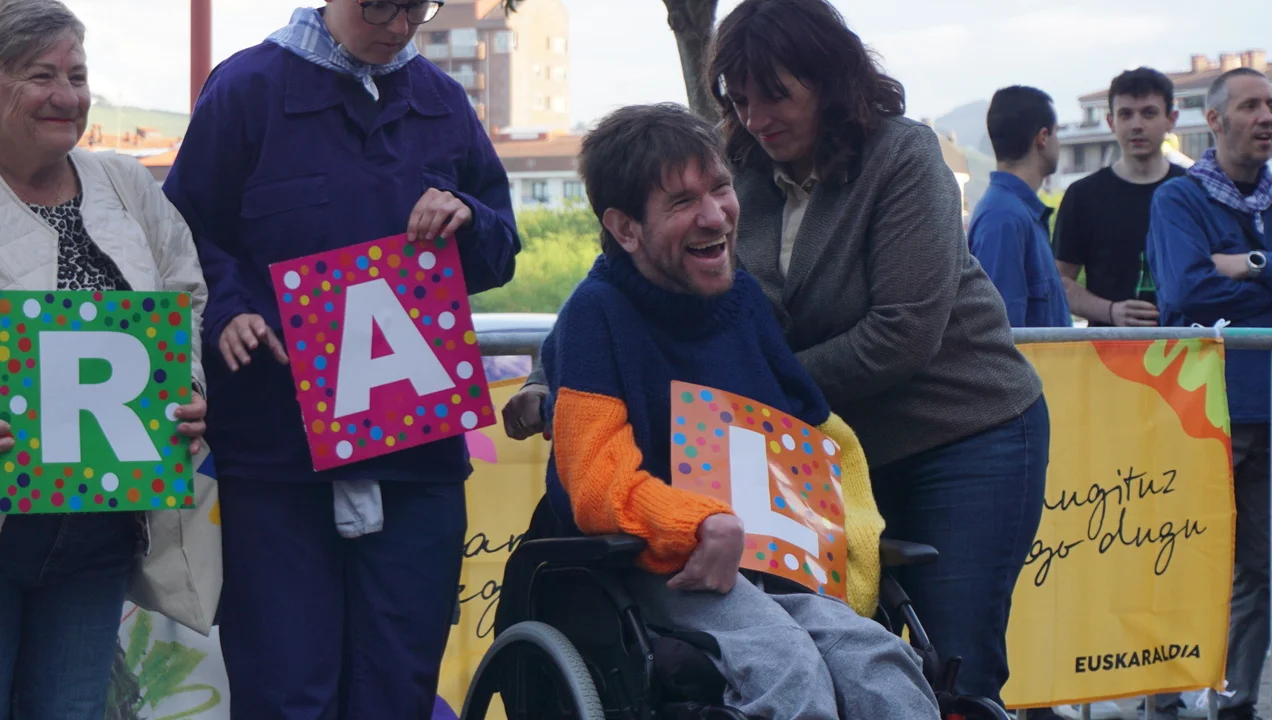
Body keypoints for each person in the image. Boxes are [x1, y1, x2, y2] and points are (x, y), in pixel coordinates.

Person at [508, 0, 1049, 709]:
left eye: (775, 94)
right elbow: (615, 278)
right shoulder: (730, 166)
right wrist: (554, 377)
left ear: (828, 80)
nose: (755, 116)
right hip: (729, 508)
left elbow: (902, 333)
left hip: (958, 426)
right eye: (739, 98)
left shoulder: (901, 157)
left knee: (926, 664)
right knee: (787, 664)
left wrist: (729, 393)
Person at [160, 0, 520, 717]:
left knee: (399, 688)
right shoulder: (247, 89)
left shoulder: (443, 101)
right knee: (286, 690)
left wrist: (469, 219)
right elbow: (181, 231)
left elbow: (501, 246)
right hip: (277, 456)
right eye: (379, 5)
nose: (399, 25)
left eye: (417, 7)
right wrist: (227, 309)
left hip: (417, 457)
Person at [540, 100, 940, 720]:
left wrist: (847, 536)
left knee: (878, 661)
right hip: (656, 567)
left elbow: (809, 432)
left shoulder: (744, 300)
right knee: (784, 665)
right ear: (625, 229)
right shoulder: (596, 316)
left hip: (765, 560)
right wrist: (699, 523)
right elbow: (596, 487)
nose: (715, 215)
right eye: (682, 202)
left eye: (720, 188)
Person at [0, 0, 209, 717]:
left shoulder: (125, 184)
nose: (67, 96)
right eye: (41, 75)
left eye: (78, 76)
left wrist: (187, 387)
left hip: (101, 529)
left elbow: (184, 296)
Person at [1146, 66, 1272, 720]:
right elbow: (1188, 293)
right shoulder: (1179, 200)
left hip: (1268, 411)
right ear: (1214, 121)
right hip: (1202, 412)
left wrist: (1251, 266)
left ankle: (1236, 701)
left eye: (1270, 104)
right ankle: (1164, 699)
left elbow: (1218, 285)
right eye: (1250, 106)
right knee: (1181, 559)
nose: (1266, 116)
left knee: (1262, 567)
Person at [1054, 67, 1185, 329]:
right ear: (1111, 122)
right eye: (1126, 114)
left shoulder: (1192, 192)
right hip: (1109, 349)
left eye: (1149, 113)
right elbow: (1058, 282)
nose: (1137, 125)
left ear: (1171, 119)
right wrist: (1111, 311)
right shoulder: (1083, 196)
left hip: (1187, 347)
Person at [968, 85, 1072, 328]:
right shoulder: (1004, 218)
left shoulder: (1018, 213)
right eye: (1057, 132)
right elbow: (1001, 333)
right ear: (1043, 137)